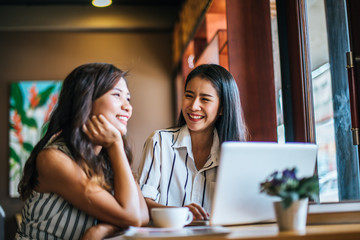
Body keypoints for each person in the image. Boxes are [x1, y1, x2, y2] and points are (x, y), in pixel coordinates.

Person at [16, 63, 149, 240]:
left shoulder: (107, 158)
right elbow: (132, 217)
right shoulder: (52, 159)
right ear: (85, 100)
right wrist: (116, 144)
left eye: (128, 98)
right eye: (117, 95)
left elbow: (142, 216)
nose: (128, 107)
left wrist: (101, 230)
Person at [137, 64, 248, 221]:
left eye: (205, 99)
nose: (194, 106)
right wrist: (181, 214)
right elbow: (141, 203)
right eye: (189, 96)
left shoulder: (235, 156)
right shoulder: (159, 142)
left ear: (222, 108)